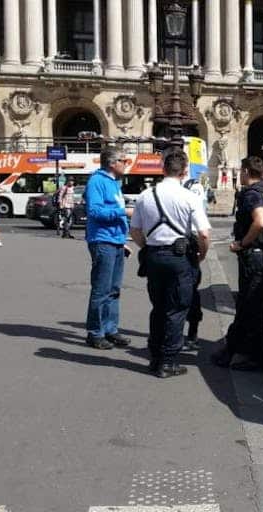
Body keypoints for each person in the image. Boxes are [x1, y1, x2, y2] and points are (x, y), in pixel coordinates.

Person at [129, 149, 210, 377]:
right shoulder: (189, 196)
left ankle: (154, 357)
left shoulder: (146, 195)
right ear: (185, 171)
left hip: (154, 256)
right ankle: (168, 361)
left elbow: (134, 230)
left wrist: (147, 247)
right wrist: (201, 256)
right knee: (176, 309)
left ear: (162, 169)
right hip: (179, 258)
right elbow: (203, 234)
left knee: (158, 308)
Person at [212, 157, 263, 371]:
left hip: (254, 256)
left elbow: (260, 221)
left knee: (250, 306)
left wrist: (243, 243)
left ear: (244, 171)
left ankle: (253, 357)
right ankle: (240, 350)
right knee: (254, 306)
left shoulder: (252, 194)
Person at [84, 148, 134, 350]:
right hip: (102, 241)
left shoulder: (114, 183)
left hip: (115, 241)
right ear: (112, 163)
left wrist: (122, 240)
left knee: (114, 289)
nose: (126, 163)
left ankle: (110, 329)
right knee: (101, 289)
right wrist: (123, 211)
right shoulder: (97, 181)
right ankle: (95, 332)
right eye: (124, 160)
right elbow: (95, 211)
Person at [182, 173, 210, 348]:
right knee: (190, 292)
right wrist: (203, 253)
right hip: (188, 244)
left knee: (188, 292)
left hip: (186, 241)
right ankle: (187, 335)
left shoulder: (194, 185)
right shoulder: (189, 186)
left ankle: (190, 334)